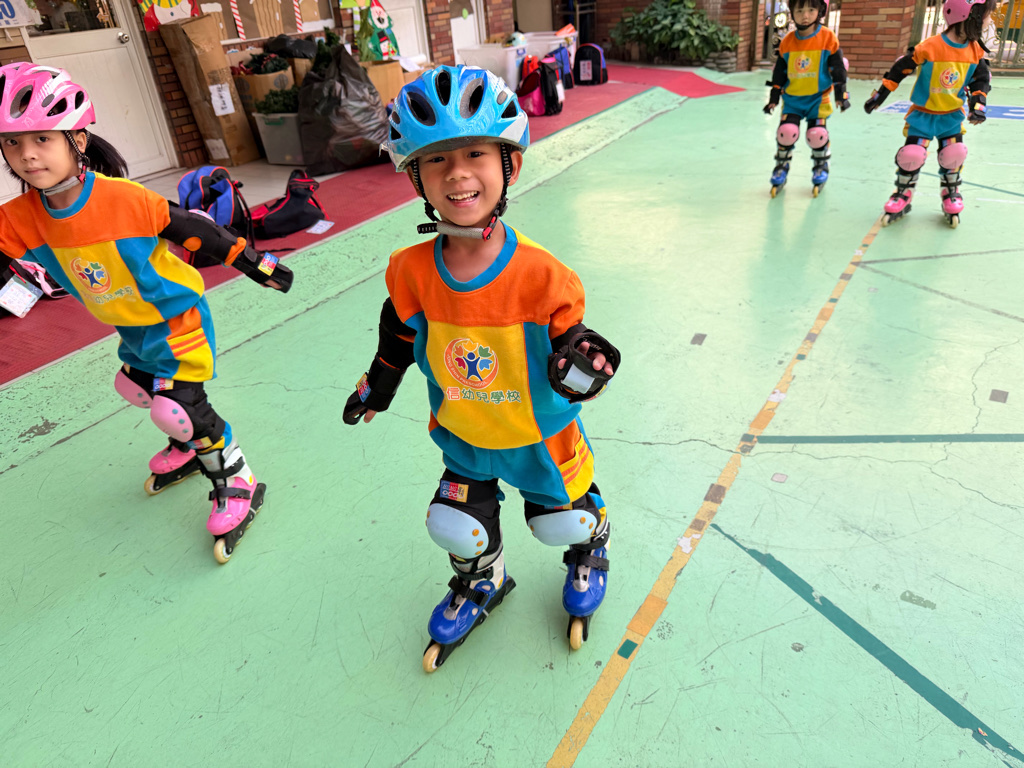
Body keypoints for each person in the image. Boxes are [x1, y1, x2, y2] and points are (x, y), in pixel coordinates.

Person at [343, 65, 621, 672]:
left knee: (562, 523)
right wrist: (376, 388)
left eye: (474, 153)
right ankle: (481, 578)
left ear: (509, 164)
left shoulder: (543, 275)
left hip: (538, 436)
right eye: (437, 160)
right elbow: (397, 338)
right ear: (415, 175)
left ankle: (591, 544)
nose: (457, 173)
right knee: (454, 525)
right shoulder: (410, 270)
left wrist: (583, 359)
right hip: (465, 435)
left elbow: (571, 340)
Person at [0, 63, 294, 563]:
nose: (26, 154)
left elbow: (194, 229)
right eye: (12, 143)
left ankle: (236, 478)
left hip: (177, 318)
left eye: (42, 139)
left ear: (78, 139)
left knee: (178, 408)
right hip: (130, 325)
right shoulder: (19, 218)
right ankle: (187, 447)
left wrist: (255, 263)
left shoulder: (122, 199)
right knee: (136, 388)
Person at [864, 0, 994, 228]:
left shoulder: (975, 51)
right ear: (969, 14)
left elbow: (980, 79)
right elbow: (901, 68)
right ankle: (902, 194)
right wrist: (880, 95)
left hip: (950, 117)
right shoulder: (930, 47)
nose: (989, 20)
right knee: (911, 155)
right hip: (923, 115)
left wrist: (978, 104)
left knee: (954, 154)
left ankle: (951, 192)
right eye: (986, 15)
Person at [764, 0, 850, 197]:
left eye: (811, 10)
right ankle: (781, 167)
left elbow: (837, 68)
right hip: (792, 99)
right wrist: (774, 98)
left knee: (816, 134)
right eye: (800, 10)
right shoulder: (787, 42)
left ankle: (821, 165)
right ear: (792, 12)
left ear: (820, 11)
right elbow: (779, 74)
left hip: (817, 99)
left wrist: (841, 95)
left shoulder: (827, 38)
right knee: (786, 132)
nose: (805, 15)